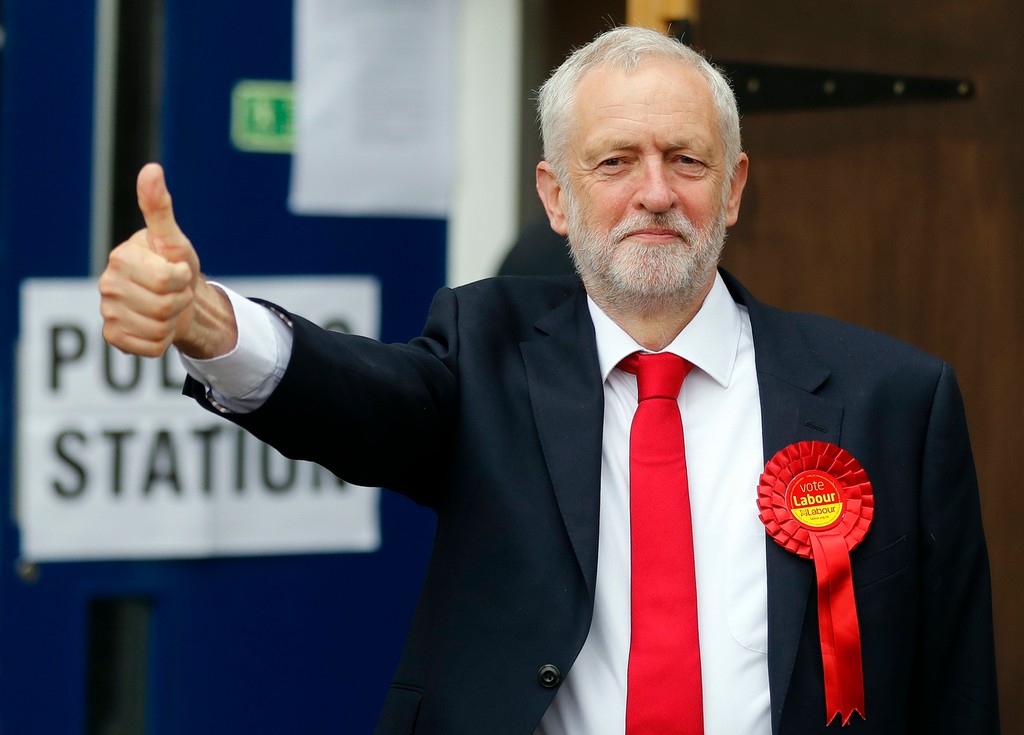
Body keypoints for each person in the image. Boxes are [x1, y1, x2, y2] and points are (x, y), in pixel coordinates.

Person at [99, 26, 998, 735]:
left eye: (686, 159)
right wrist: (212, 323)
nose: (655, 192)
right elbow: (363, 400)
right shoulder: (487, 351)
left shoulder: (894, 401)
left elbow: (955, 686)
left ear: (732, 188)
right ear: (556, 196)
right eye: (615, 161)